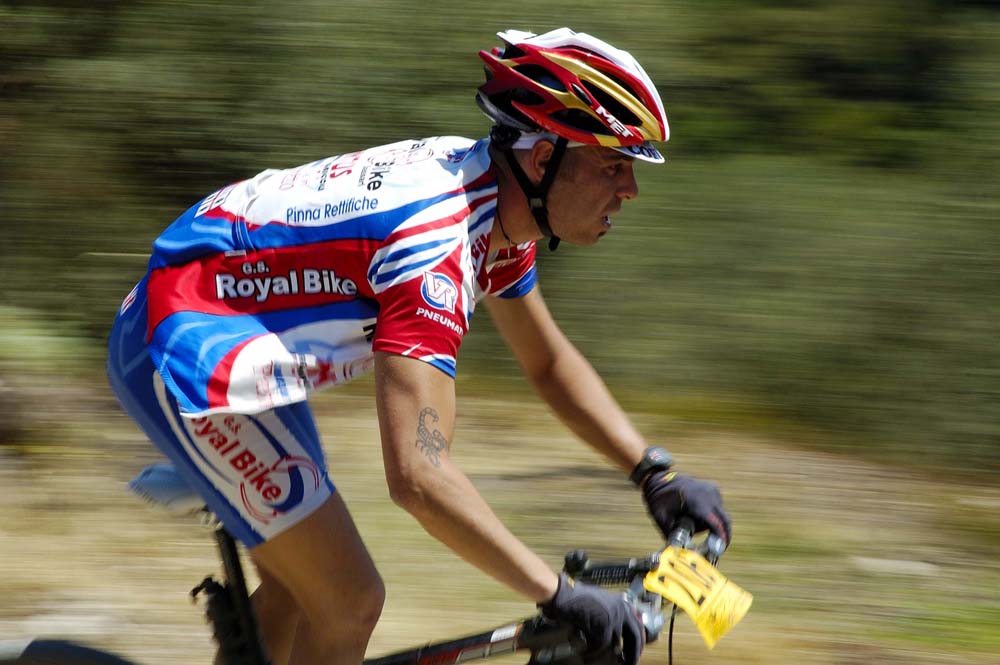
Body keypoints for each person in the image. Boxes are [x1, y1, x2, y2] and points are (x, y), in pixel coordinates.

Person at [107, 27, 731, 665]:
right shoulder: (433, 252)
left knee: (300, 594)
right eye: (613, 166)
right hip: (180, 348)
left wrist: (653, 473)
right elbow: (419, 478)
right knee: (349, 600)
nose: (629, 190)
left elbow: (547, 363)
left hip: (238, 339)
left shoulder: (496, 206)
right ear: (543, 160)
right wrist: (559, 594)